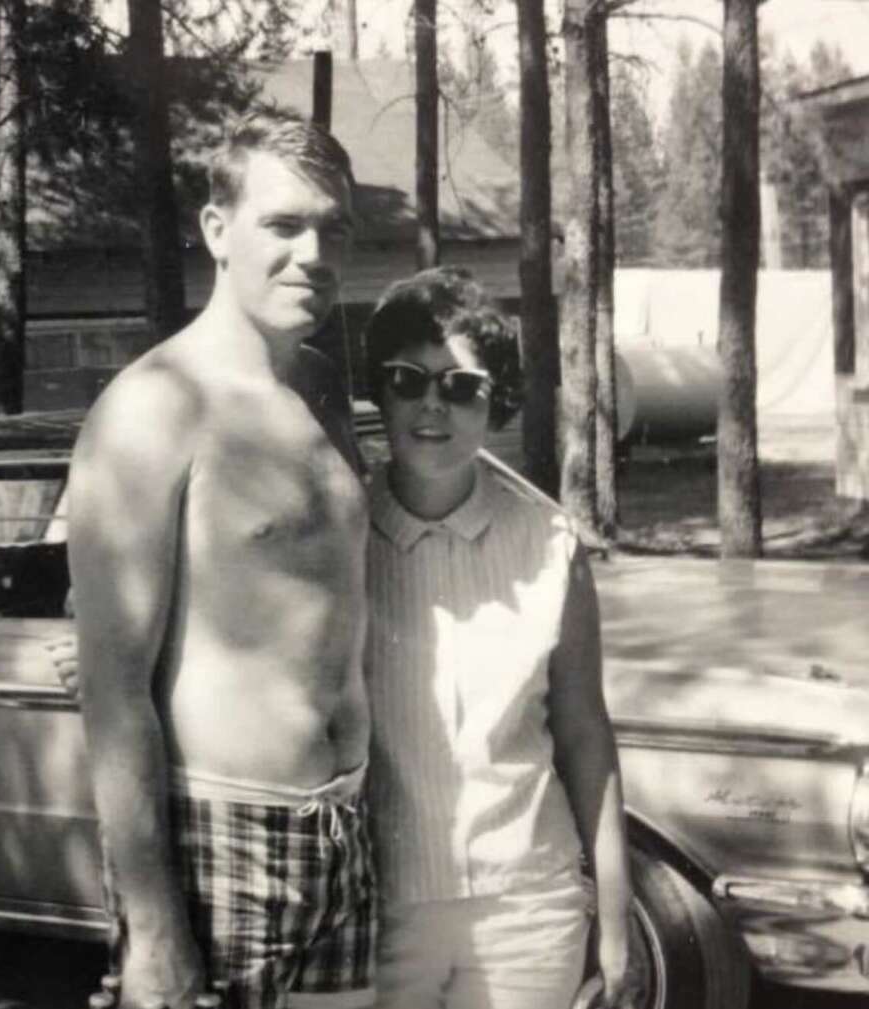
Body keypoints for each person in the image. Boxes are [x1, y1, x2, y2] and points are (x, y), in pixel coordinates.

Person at [65, 111, 375, 1009]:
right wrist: (155, 926)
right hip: (218, 837)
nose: (313, 254)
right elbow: (113, 688)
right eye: (284, 225)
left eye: (333, 230)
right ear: (216, 230)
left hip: (343, 828)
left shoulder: (322, 390)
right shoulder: (154, 405)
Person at [361, 267, 633, 1009]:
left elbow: (585, 733)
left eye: (461, 387)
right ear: (379, 390)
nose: (432, 405)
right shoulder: (337, 534)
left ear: (496, 401)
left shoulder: (550, 542)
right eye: (407, 379)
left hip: (529, 908)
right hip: (377, 908)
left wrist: (615, 919)